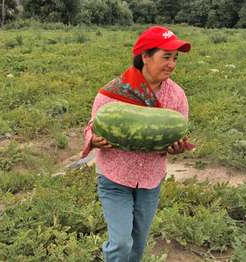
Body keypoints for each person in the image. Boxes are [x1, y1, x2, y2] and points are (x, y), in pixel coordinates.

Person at [82, 25, 194, 262]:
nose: (172, 64)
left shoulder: (177, 96)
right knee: (121, 243)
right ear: (145, 57)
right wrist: (93, 139)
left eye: (175, 58)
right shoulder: (113, 92)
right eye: (166, 57)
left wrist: (177, 148)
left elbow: (177, 134)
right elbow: (92, 126)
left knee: (138, 245)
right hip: (114, 178)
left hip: (150, 180)